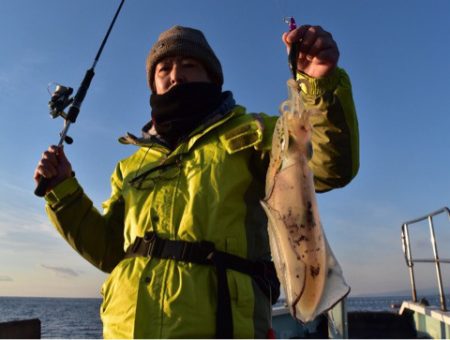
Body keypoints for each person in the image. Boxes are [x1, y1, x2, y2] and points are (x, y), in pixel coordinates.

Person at [34, 24, 359, 338]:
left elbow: (327, 165)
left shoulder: (256, 132)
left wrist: (319, 85)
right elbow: (109, 250)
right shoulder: (131, 165)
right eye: (163, 70)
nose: (175, 75)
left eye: (188, 64)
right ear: (153, 85)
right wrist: (62, 190)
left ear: (212, 77)